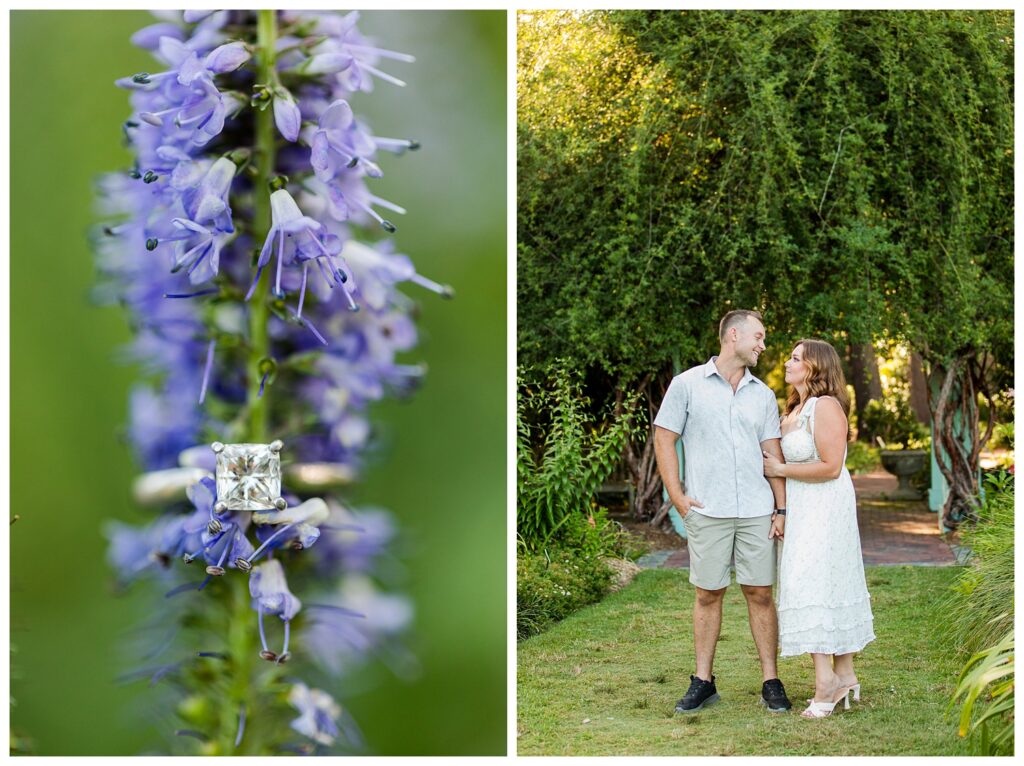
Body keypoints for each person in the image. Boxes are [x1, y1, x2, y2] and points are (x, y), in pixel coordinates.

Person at [653, 310, 791, 715]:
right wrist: (677, 496)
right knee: (708, 592)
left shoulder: (763, 394)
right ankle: (703, 682)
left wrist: (780, 507)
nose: (763, 345)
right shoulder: (687, 385)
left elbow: (773, 455)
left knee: (760, 593)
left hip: (755, 509)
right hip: (708, 509)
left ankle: (771, 680)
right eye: (759, 337)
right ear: (734, 335)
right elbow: (665, 439)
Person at [762, 339, 875, 719]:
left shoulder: (826, 407)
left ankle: (826, 680)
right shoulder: (794, 408)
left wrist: (780, 470)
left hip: (825, 505)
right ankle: (844, 673)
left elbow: (831, 466)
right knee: (817, 583)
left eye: (796, 357)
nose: (788, 362)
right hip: (803, 506)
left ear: (815, 366)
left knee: (816, 583)